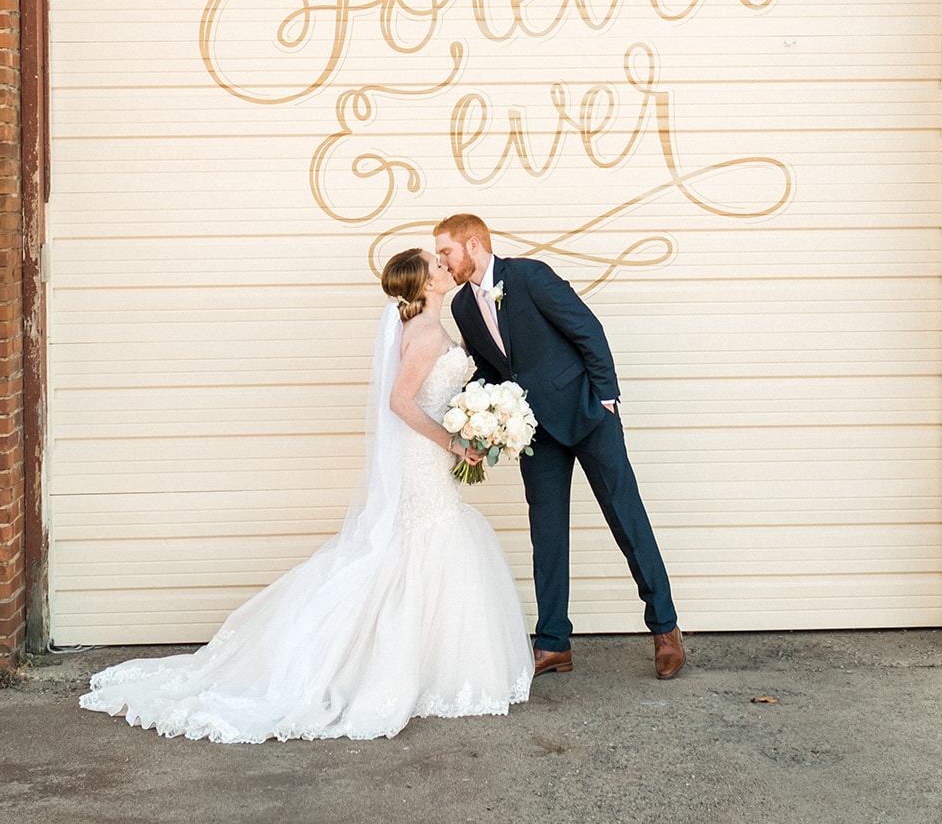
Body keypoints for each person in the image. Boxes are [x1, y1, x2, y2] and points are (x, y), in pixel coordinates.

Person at [80, 249, 533, 741]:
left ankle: (423, 664)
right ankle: (379, 667)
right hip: (423, 459)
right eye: (436, 264)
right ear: (423, 284)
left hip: (430, 459)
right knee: (418, 544)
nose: (446, 266)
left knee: (422, 546)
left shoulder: (433, 324)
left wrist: (474, 424)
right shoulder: (424, 334)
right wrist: (453, 441)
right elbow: (400, 402)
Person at [433, 212, 684, 681]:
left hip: (589, 416)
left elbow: (588, 331)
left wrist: (606, 398)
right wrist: (481, 409)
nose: (443, 262)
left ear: (472, 245)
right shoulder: (462, 308)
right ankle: (553, 643)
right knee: (546, 533)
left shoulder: (530, 277)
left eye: (446, 251)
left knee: (626, 518)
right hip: (534, 432)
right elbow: (493, 366)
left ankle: (665, 629)